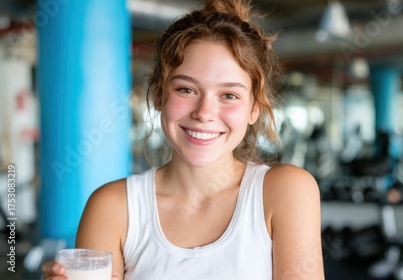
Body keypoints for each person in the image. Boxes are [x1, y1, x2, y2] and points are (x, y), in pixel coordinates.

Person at [42, 0, 324, 279]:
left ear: (253, 109)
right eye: (186, 89)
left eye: (229, 95)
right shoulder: (113, 207)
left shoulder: (286, 193)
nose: (204, 113)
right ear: (159, 96)